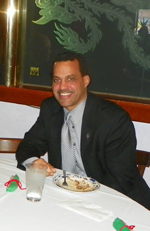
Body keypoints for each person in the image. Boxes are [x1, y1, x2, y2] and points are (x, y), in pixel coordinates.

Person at [16, 51, 150, 209]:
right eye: (56, 80)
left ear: (85, 81)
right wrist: (34, 163)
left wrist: (83, 203)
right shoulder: (50, 109)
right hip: (66, 198)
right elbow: (28, 146)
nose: (62, 87)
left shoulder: (113, 119)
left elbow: (121, 179)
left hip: (121, 203)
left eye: (70, 79)